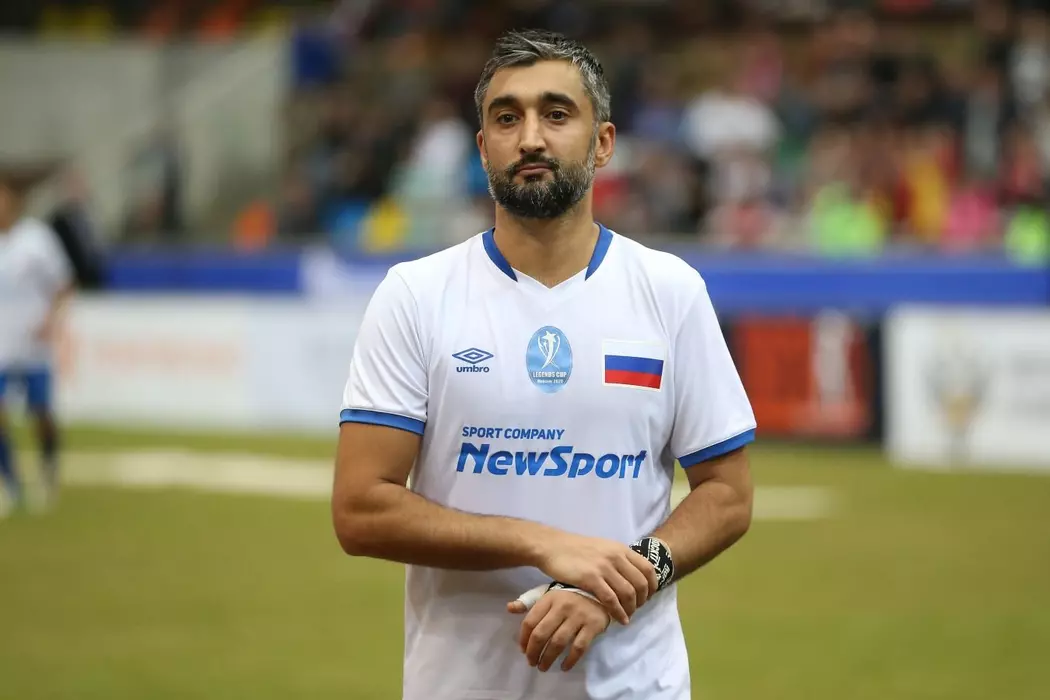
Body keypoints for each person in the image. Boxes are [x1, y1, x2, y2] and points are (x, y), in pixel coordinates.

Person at [331, 29, 756, 700]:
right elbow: (361, 510)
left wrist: (618, 582)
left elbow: (727, 494)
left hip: (633, 687)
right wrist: (540, 542)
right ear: (483, 148)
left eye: (557, 114)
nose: (530, 137)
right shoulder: (415, 295)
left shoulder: (670, 291)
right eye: (507, 118)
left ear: (603, 142)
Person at [0, 174, 74, 516]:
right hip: (2, 347)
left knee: (40, 413)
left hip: (32, 346)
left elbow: (63, 284)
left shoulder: (35, 240)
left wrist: (51, 320)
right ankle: (10, 485)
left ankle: (48, 471)